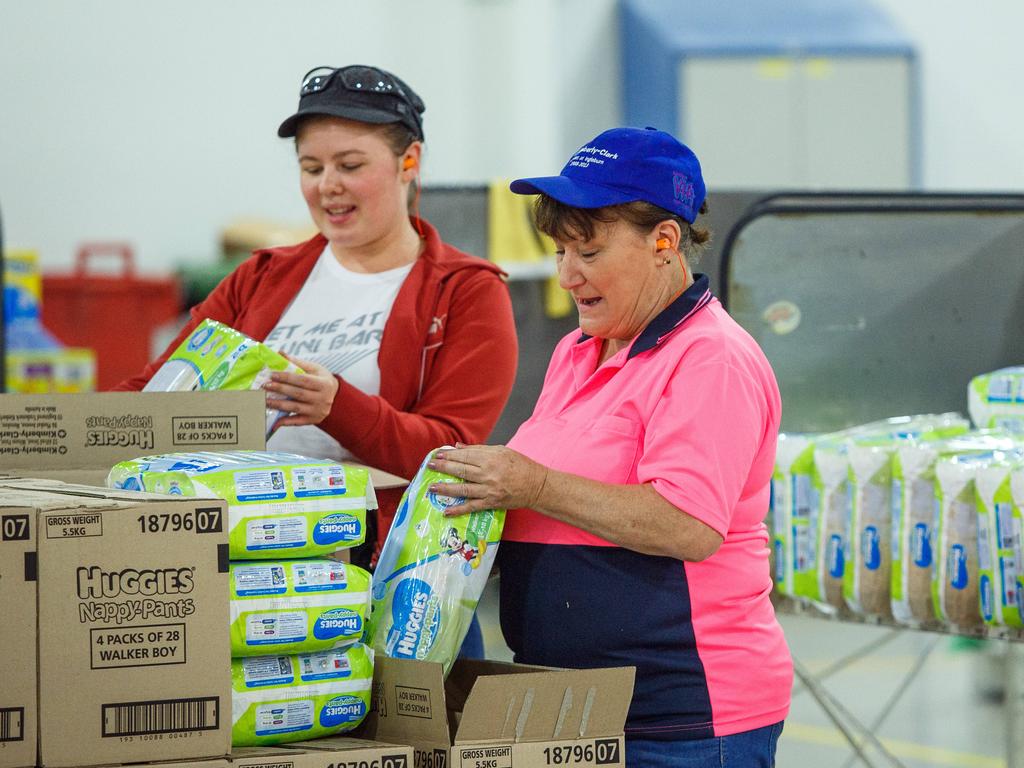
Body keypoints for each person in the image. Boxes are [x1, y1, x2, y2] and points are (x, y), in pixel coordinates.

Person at [426, 127, 791, 766]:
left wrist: (530, 484)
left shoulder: (710, 358)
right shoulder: (579, 351)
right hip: (571, 705)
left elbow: (687, 524)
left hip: (682, 718)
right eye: (562, 250)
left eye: (589, 252)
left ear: (664, 242)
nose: (568, 275)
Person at [116, 65, 518, 610]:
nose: (327, 185)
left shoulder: (466, 291)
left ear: (410, 162)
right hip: (239, 567)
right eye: (311, 167)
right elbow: (154, 392)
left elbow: (452, 454)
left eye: (350, 165)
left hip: (385, 581)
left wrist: (339, 407)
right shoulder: (259, 278)